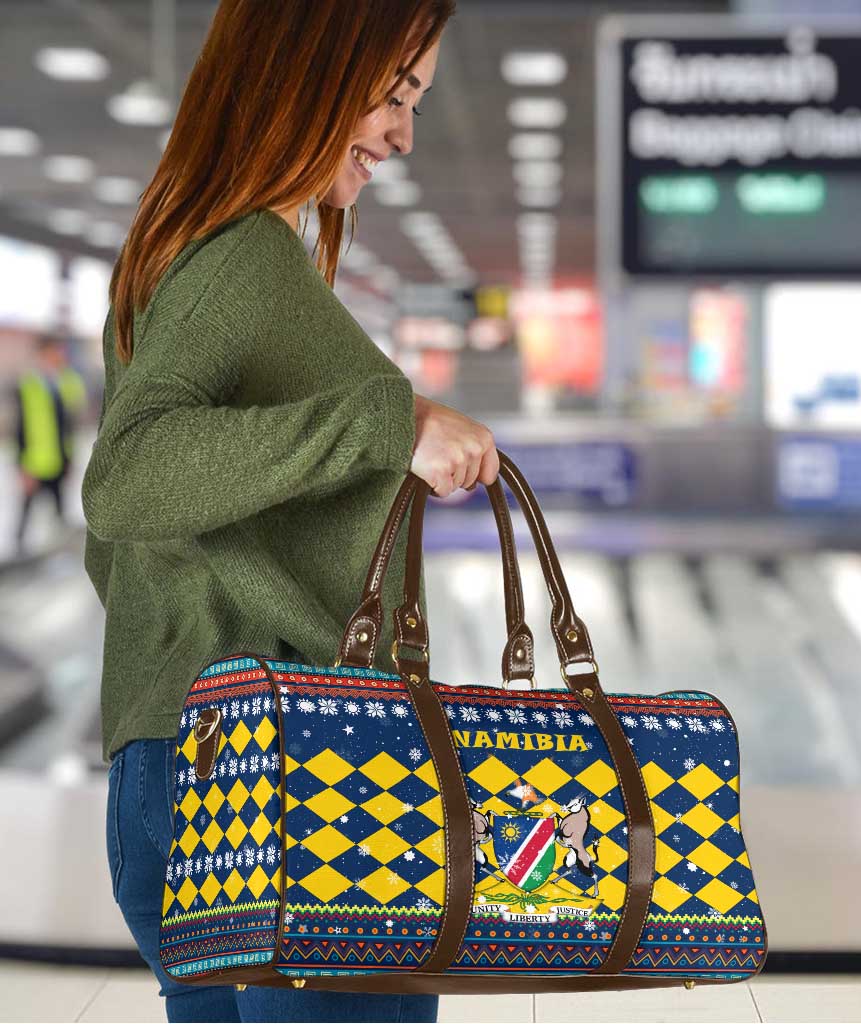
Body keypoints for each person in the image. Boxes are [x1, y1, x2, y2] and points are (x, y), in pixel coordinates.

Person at [81, 2, 497, 1021]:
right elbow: (126, 478)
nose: (402, 132)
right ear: (306, 64)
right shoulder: (239, 260)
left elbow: (134, 539)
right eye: (395, 94)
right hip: (301, 779)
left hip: (188, 760)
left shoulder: (185, 250)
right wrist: (385, 424)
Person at [11, 331, 85, 556]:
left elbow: (71, 419)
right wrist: (22, 466)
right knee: (26, 512)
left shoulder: (65, 381)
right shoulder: (28, 385)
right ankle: (18, 554)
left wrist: (70, 458)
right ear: (43, 353)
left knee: (60, 511)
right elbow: (20, 428)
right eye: (54, 351)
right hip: (35, 462)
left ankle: (59, 554)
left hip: (60, 459)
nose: (59, 355)